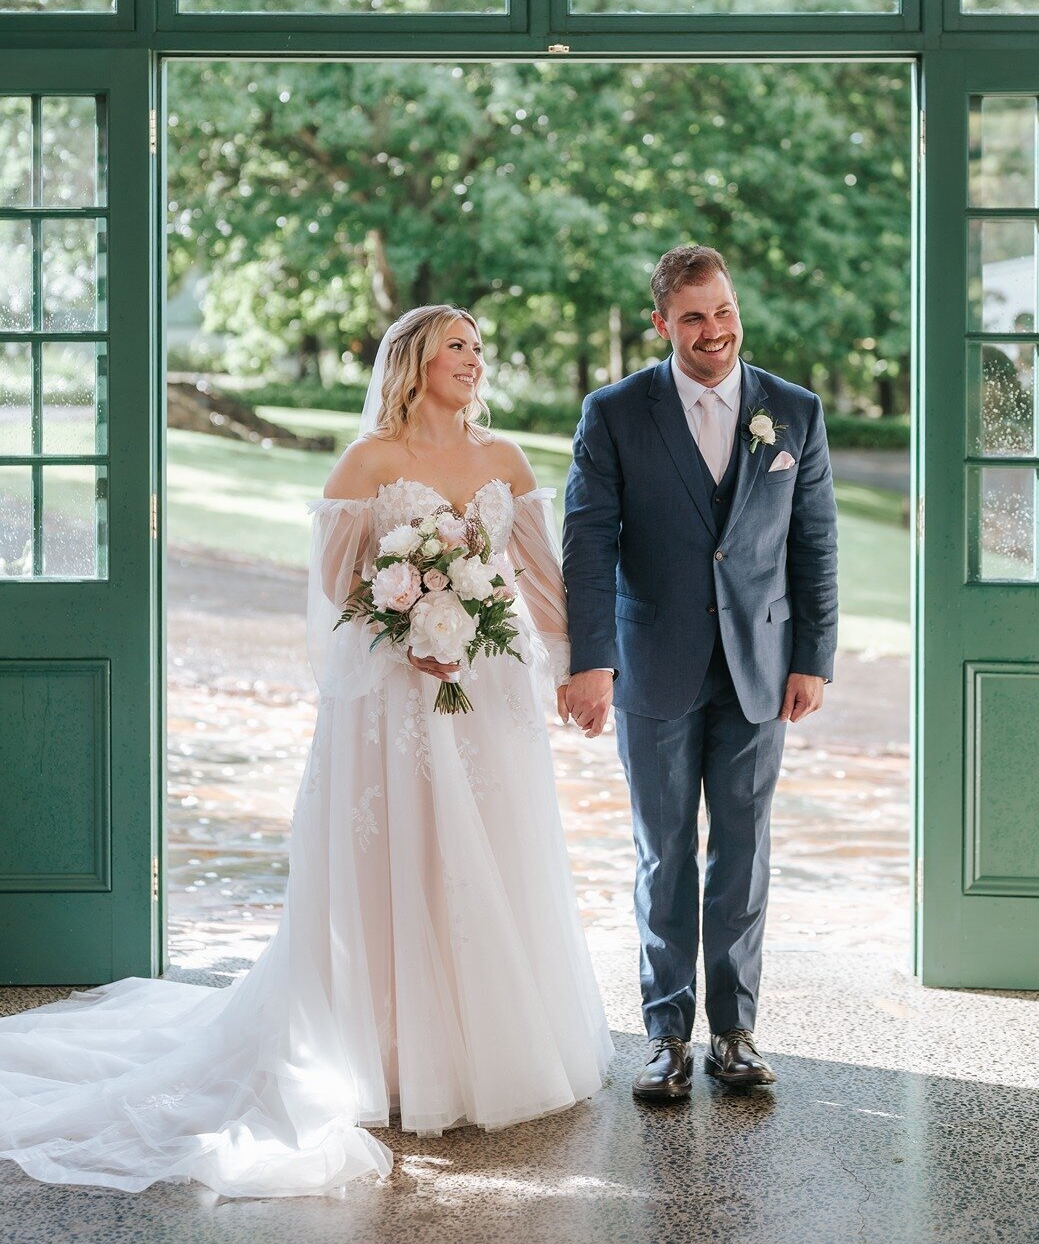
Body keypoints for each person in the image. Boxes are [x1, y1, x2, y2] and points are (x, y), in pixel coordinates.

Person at [0, 304, 612, 1198]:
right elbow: (335, 593)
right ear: (413, 361)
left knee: (490, 854)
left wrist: (578, 671)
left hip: (488, 694)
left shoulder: (503, 461)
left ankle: (486, 1044)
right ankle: (387, 1053)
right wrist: (410, 620)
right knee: (395, 857)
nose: (473, 362)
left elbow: (544, 582)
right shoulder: (367, 463)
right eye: (456, 347)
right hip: (394, 697)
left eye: (479, 348)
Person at [562, 246, 837, 1103]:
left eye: (721, 313)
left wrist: (813, 658)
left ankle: (736, 1035)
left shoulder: (792, 410)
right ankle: (666, 1035)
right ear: (661, 324)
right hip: (654, 665)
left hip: (762, 665)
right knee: (664, 851)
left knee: (744, 852)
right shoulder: (614, 412)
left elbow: (814, 543)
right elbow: (587, 543)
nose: (712, 331)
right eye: (692, 318)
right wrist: (592, 661)